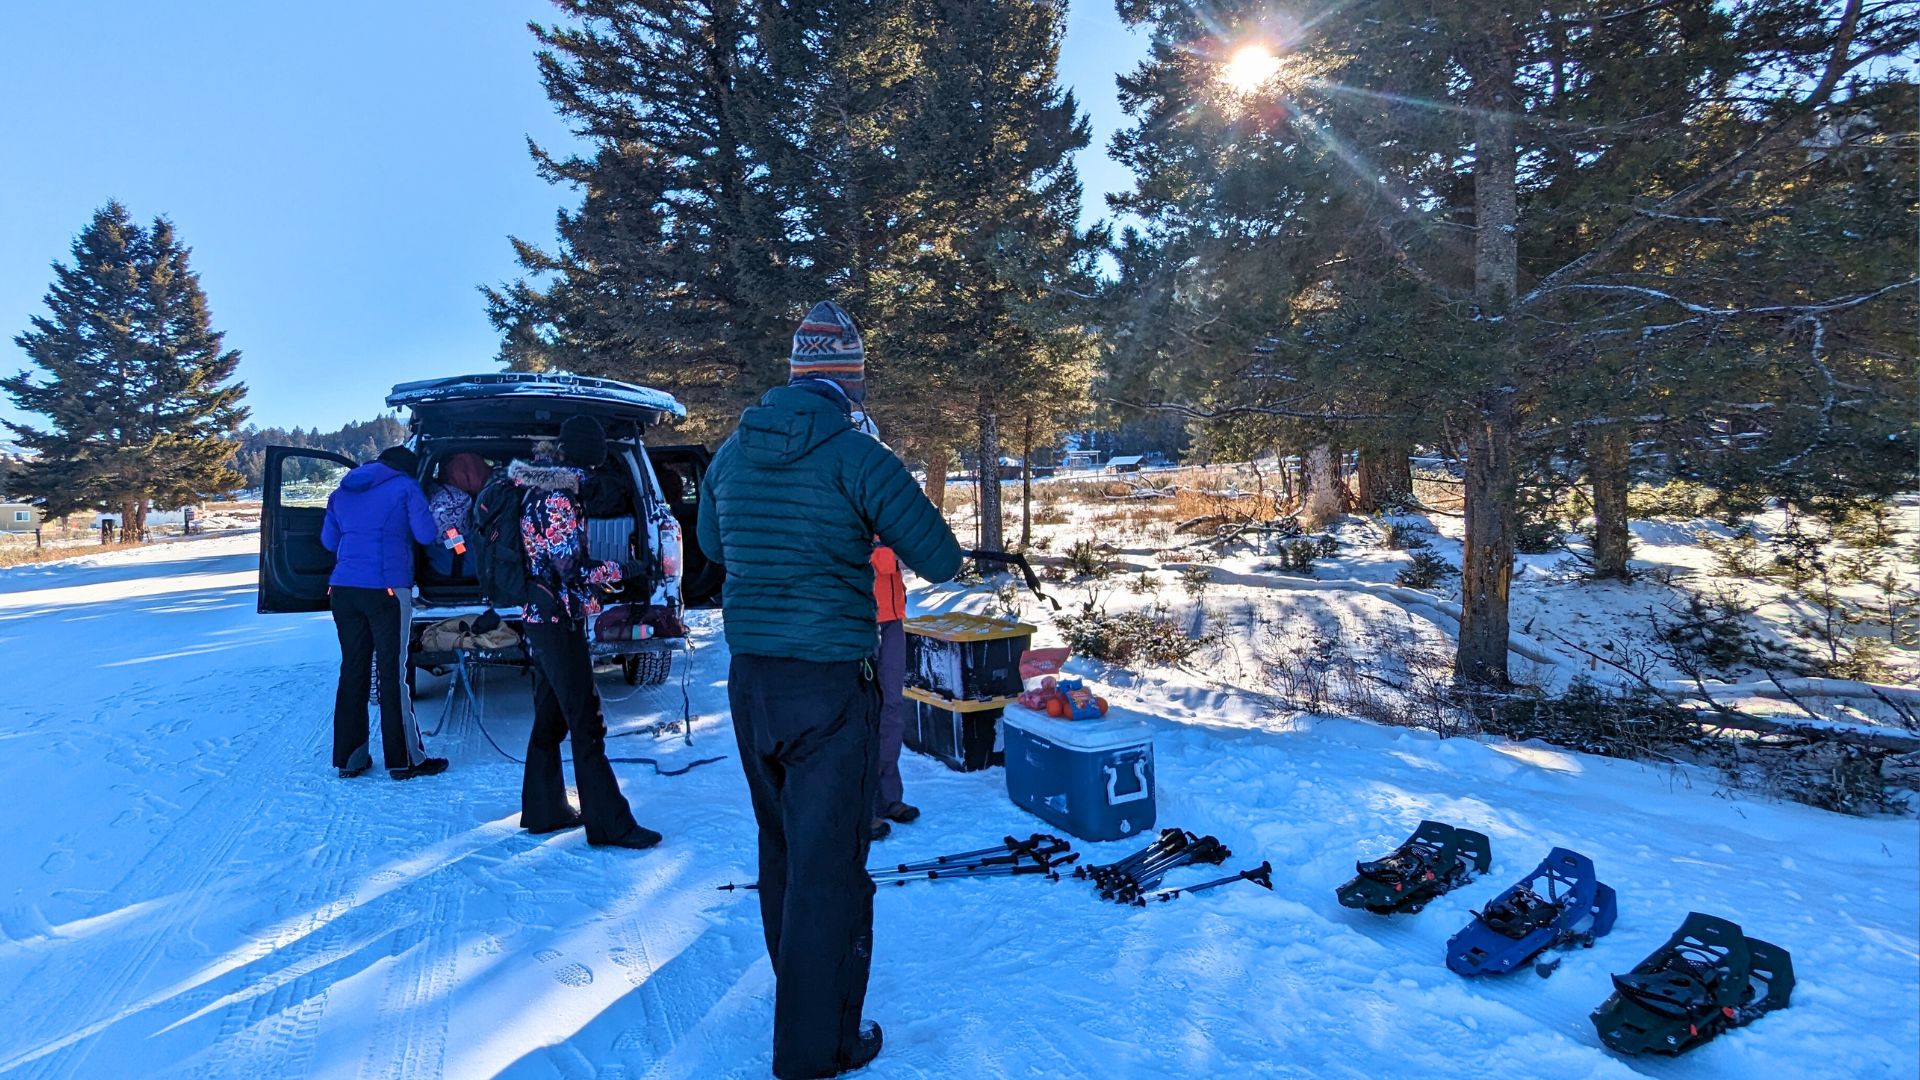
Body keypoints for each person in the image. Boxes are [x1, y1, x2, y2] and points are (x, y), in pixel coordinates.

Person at [698, 300, 963, 1079]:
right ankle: (820, 1048)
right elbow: (941, 558)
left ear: (791, 376)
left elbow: (713, 544)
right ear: (849, 381)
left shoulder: (730, 454)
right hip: (830, 688)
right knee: (832, 869)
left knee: (781, 850)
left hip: (753, 683)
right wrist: (868, 525)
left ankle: (801, 999)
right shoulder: (859, 456)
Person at [510, 416, 662, 849]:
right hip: (557, 618)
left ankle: (545, 809)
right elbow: (569, 569)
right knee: (586, 721)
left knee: (552, 715)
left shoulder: (544, 490)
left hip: (544, 616)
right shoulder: (556, 498)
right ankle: (610, 824)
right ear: (584, 453)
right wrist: (625, 569)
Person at [321, 445, 447, 780]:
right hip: (387, 590)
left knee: (353, 671)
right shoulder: (406, 486)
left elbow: (329, 541)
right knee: (392, 674)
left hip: (343, 591)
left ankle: (350, 759)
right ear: (406, 468)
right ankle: (405, 761)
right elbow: (426, 534)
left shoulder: (341, 491)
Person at [855, 410, 916, 843]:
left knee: (891, 708)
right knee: (857, 713)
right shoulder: (841, 490)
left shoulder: (888, 497)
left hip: (893, 619)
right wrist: (886, 554)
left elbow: (912, 547)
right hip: (854, 623)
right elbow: (849, 553)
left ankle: (887, 796)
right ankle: (859, 807)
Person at [424, 451, 489, 576]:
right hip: (460, 554)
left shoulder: (437, 490)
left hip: (446, 561)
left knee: (455, 545)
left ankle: (457, 561)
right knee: (458, 545)